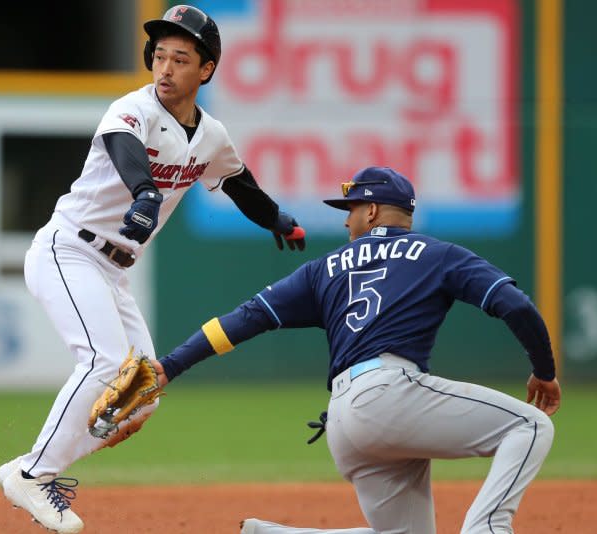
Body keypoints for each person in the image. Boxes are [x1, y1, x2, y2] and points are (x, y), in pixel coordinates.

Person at [0, 5, 306, 533]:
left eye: (180, 59)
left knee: (141, 388)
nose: (165, 68)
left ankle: (36, 467)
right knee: (104, 361)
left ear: (205, 70)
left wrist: (277, 218)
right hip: (68, 250)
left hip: (111, 270)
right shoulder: (131, 110)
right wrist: (143, 190)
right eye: (159, 56)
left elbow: (238, 182)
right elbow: (126, 151)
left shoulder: (210, 135)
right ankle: (33, 472)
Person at [152, 166, 562, 534]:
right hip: (390, 396)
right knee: (530, 426)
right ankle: (487, 528)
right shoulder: (439, 255)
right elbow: (516, 305)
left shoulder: (322, 268)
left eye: (351, 208)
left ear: (372, 211)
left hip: (346, 422)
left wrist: (170, 365)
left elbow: (241, 321)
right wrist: (544, 371)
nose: (347, 218)